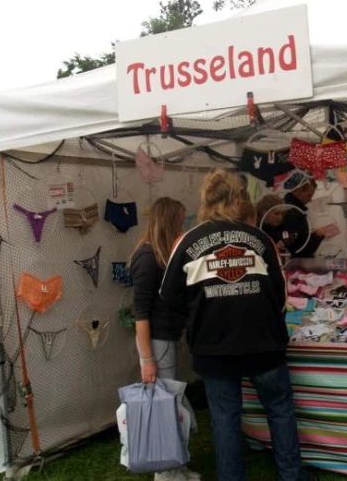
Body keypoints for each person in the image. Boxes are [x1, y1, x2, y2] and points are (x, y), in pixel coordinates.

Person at [160, 170, 311, 481]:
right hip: (264, 342)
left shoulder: (189, 241)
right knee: (280, 411)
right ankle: (291, 476)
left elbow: (170, 296)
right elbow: (280, 295)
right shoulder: (259, 239)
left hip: (214, 347)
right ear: (238, 199)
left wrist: (198, 313)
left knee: (226, 418)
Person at [129, 197, 201, 481]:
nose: (184, 226)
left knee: (171, 401)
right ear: (169, 222)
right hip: (156, 342)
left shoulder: (160, 254)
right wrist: (147, 359)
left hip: (165, 338)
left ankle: (175, 465)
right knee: (165, 405)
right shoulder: (147, 258)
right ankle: (166, 473)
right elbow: (141, 314)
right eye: (180, 221)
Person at [281, 173, 325, 258]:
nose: (310, 200)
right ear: (299, 191)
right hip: (297, 262)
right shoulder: (294, 212)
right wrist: (317, 236)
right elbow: (300, 248)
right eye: (309, 195)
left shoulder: (290, 208)